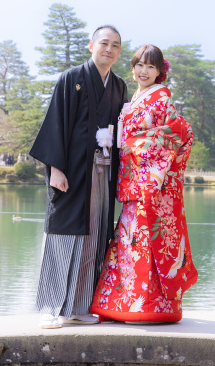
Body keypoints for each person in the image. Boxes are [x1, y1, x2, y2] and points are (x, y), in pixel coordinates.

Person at [29, 25, 128, 329]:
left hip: (103, 170)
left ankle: (79, 306)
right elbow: (56, 123)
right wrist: (55, 169)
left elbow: (124, 131)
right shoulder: (71, 79)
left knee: (95, 236)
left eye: (115, 45)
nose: (108, 49)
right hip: (71, 171)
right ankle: (49, 306)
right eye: (103, 43)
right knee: (63, 234)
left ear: (119, 52)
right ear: (91, 45)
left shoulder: (119, 86)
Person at [91, 45, 198, 323]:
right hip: (133, 181)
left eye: (150, 67)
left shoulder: (162, 100)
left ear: (160, 71)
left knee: (146, 242)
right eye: (139, 65)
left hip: (150, 184)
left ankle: (150, 308)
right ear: (133, 67)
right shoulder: (135, 97)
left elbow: (181, 132)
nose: (144, 71)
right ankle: (123, 304)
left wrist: (135, 145)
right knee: (128, 241)